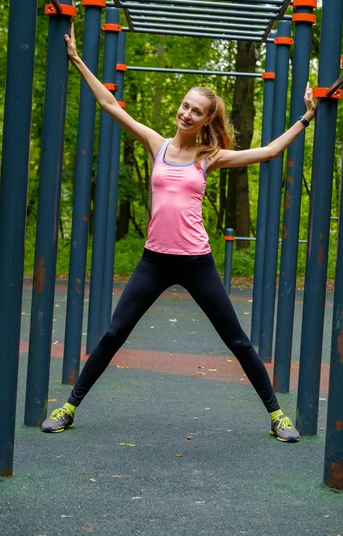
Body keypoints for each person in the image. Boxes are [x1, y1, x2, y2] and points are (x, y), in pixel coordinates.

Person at [42, 24, 317, 442]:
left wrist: (306, 118)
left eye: (195, 110)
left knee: (238, 341)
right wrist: (79, 60)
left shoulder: (210, 157)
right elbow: (110, 105)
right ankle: (69, 407)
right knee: (114, 334)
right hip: (154, 260)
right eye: (184, 106)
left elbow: (269, 151)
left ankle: (277, 416)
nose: (186, 113)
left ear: (208, 119)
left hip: (195, 262)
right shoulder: (157, 145)